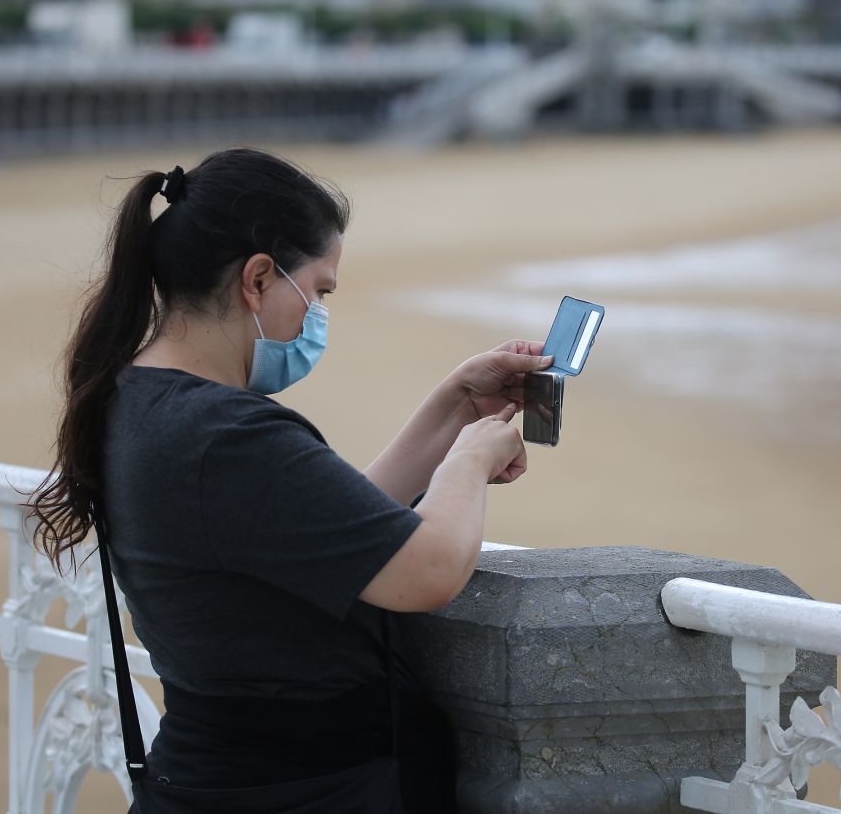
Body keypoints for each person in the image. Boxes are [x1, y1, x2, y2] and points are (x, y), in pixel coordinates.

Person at [28, 148, 552, 812]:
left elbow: (324, 529)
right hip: (293, 788)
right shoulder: (220, 434)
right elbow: (425, 571)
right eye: (320, 289)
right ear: (256, 281)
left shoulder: (139, 400)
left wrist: (454, 407)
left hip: (224, 774)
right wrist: (470, 461)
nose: (318, 314)